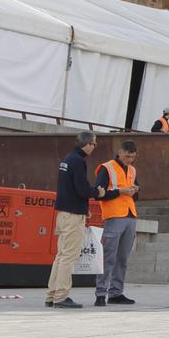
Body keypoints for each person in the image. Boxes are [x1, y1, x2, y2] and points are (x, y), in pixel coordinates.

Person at [46, 132, 97, 308]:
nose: (94, 147)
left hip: (64, 212)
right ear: (88, 144)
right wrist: (98, 192)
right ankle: (61, 296)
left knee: (61, 256)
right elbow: (82, 189)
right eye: (94, 144)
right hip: (73, 215)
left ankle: (52, 295)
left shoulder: (67, 158)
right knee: (69, 256)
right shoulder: (78, 161)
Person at [94, 140, 141, 307]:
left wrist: (135, 190)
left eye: (133, 157)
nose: (130, 160)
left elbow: (135, 192)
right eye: (127, 156)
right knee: (108, 257)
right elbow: (98, 193)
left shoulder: (132, 169)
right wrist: (121, 191)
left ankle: (116, 293)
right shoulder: (107, 168)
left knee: (122, 258)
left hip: (130, 215)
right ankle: (100, 293)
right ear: (119, 153)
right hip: (113, 215)